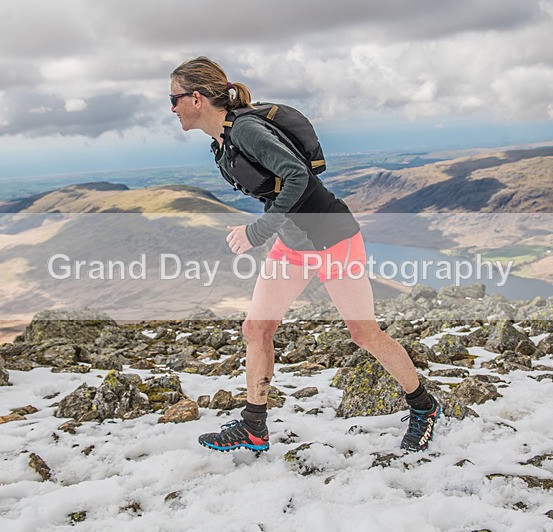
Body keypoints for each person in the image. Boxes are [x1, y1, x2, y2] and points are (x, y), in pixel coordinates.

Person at [169, 56, 440, 453]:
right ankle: (253, 427)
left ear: (195, 98)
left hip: (332, 238)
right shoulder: (222, 141)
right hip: (293, 245)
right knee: (256, 330)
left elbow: (298, 175)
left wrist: (259, 229)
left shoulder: (246, 129)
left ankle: (424, 406)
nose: (171, 108)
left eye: (173, 99)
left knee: (363, 334)